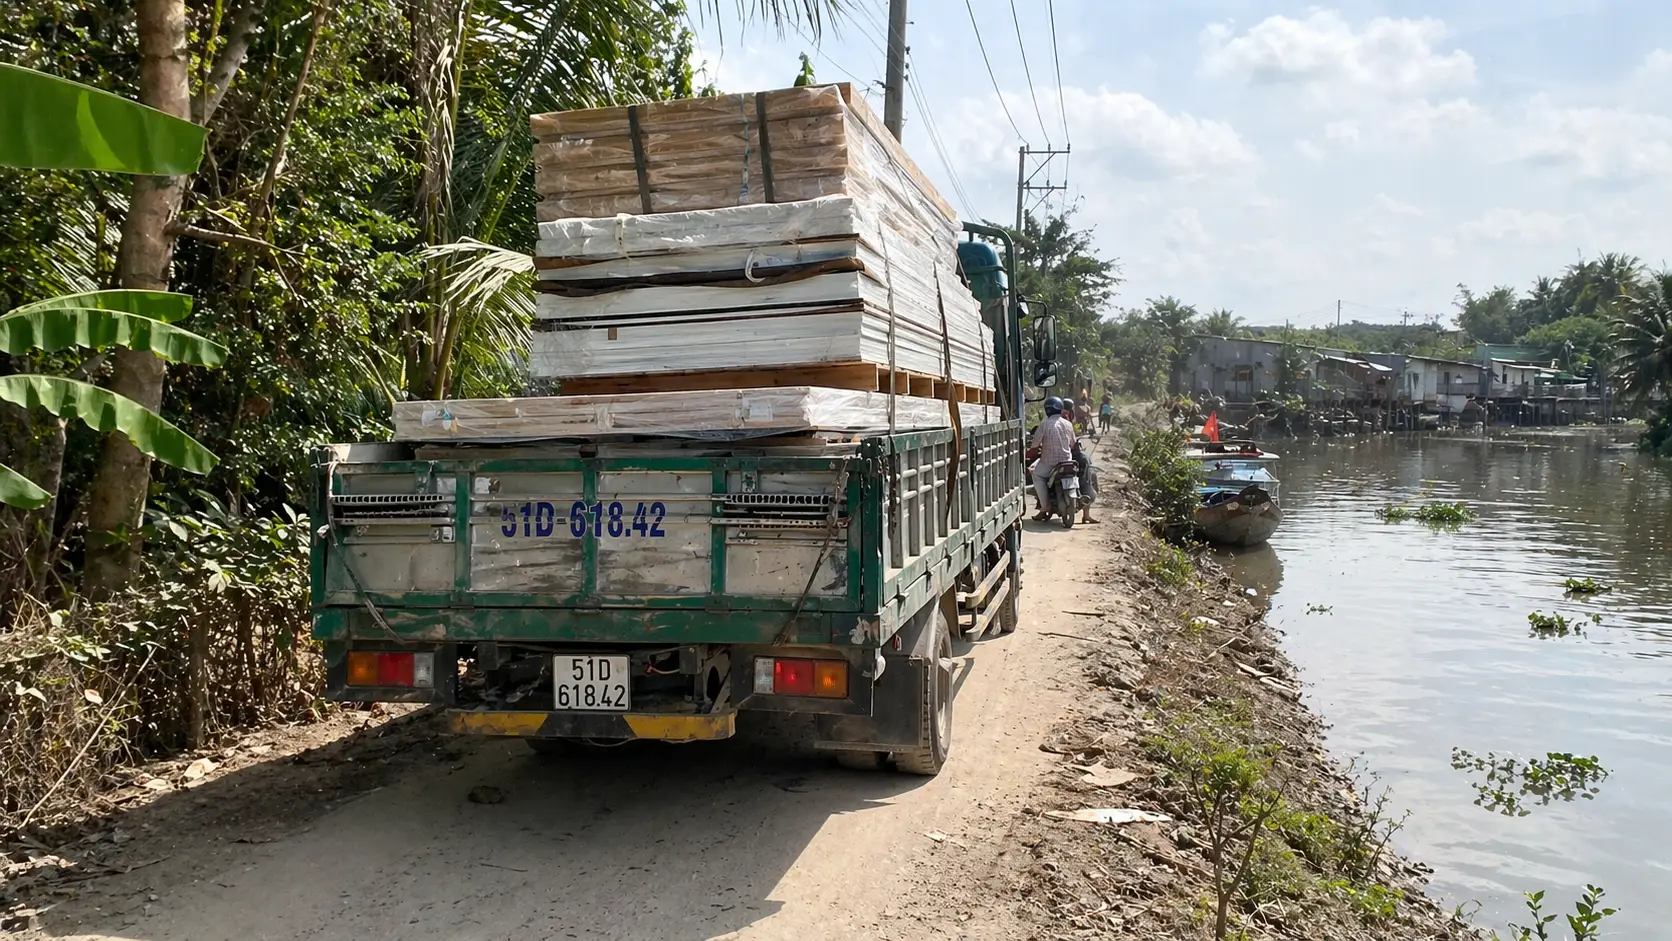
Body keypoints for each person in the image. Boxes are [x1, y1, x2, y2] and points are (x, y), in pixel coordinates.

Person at [1029, 396, 1075, 521]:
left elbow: (1035, 445)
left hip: (1049, 463)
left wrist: (1029, 453)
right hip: (1067, 461)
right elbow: (1072, 444)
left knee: (1036, 474)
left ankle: (1045, 507)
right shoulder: (1068, 424)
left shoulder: (1045, 423)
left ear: (1047, 409)